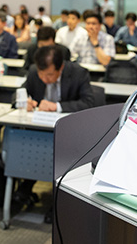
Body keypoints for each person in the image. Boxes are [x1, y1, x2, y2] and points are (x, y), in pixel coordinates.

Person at [13, 45, 95, 222]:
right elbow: (18, 94)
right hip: (39, 131)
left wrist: (57, 107)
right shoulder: (35, 71)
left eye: (49, 75)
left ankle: (58, 201)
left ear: (61, 67)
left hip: (69, 134)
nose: (44, 79)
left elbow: (89, 103)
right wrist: (22, 102)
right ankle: (26, 183)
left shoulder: (79, 73)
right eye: (42, 75)